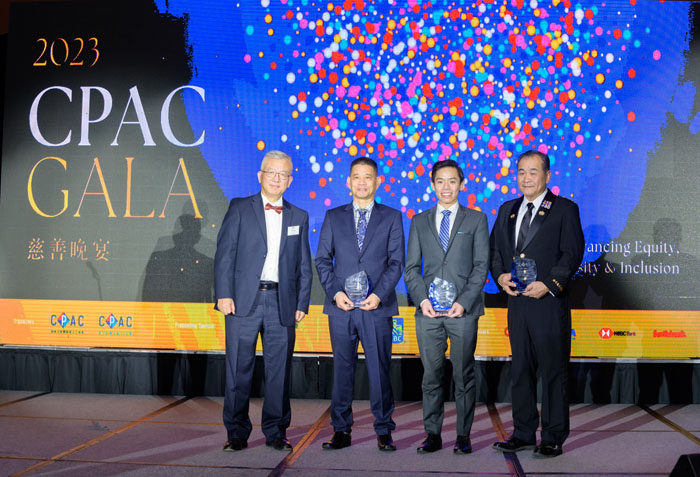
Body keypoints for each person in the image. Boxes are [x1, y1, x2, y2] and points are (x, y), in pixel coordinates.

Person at [214, 150, 312, 452]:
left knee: (279, 373)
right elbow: (225, 254)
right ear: (260, 175)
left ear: (290, 180)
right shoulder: (240, 208)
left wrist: (302, 303)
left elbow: (303, 264)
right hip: (243, 300)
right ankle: (236, 432)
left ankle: (276, 432)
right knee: (238, 370)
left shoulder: (299, 215)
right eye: (272, 172)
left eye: (283, 174)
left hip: (282, 302)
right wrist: (223, 294)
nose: (277, 179)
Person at [490, 150, 584, 458]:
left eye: (533, 172)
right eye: (521, 172)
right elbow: (495, 252)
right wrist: (500, 275)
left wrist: (550, 284)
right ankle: (523, 432)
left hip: (548, 303)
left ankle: (553, 436)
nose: (526, 178)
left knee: (553, 371)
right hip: (517, 304)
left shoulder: (564, 209)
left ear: (547, 176)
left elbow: (572, 252)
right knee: (521, 370)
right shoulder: (507, 209)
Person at [315, 157, 405, 452]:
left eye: (368, 177)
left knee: (379, 369)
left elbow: (396, 262)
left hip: (376, 307)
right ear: (348, 182)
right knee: (342, 370)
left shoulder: (391, 216)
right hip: (341, 308)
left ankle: (384, 429)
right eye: (357, 176)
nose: (362, 182)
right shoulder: (333, 216)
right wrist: (335, 293)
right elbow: (322, 259)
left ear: (378, 182)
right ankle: (341, 429)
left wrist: (378, 295)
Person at [404, 159, 489, 454]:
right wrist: (422, 300)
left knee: (463, 375)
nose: (446, 187)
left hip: (462, 313)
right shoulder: (419, 221)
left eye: (452, 181)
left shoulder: (476, 220)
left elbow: (481, 266)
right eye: (440, 181)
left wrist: (463, 303)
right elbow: (411, 269)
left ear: (462, 184)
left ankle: (463, 435)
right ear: (432, 184)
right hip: (428, 313)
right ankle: (432, 434)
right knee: (431, 376)